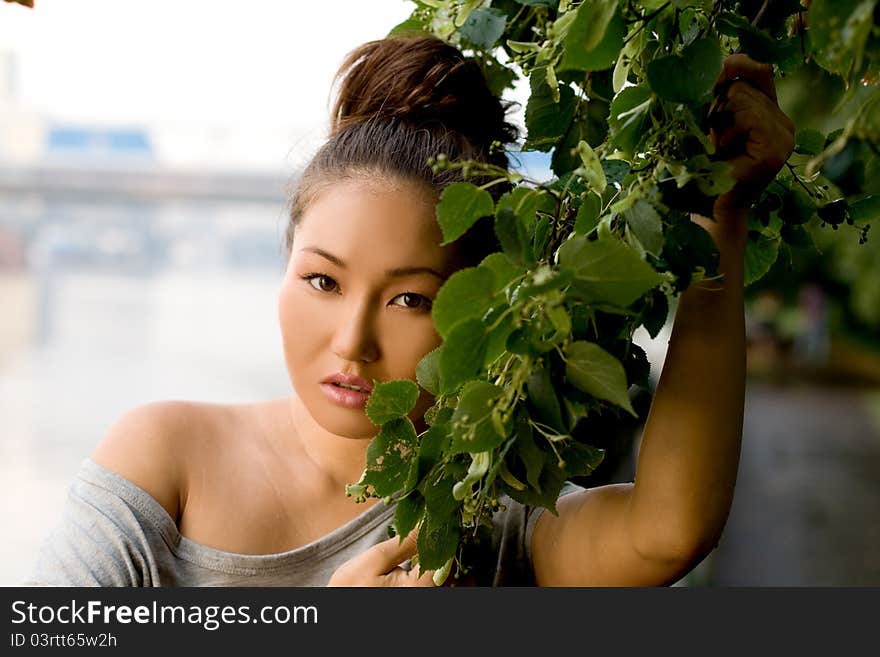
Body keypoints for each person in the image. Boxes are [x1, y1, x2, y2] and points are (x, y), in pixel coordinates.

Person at [27, 35, 794, 587]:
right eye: (323, 282)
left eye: (409, 298)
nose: (352, 342)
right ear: (286, 265)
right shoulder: (169, 457)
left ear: (478, 307)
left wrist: (718, 215)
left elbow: (669, 531)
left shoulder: (483, 516)